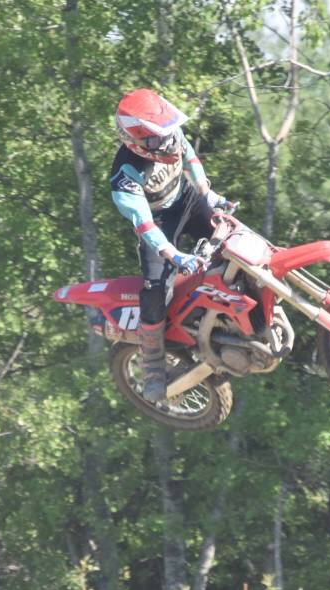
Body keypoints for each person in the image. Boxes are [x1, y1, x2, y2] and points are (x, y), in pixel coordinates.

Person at [109, 89, 235, 403]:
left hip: (186, 201)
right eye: (156, 139)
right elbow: (144, 224)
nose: (167, 142)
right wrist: (174, 255)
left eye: (167, 132)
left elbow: (189, 155)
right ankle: (153, 365)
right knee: (155, 289)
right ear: (134, 141)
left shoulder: (168, 135)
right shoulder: (125, 177)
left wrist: (207, 193)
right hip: (157, 224)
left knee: (230, 233)